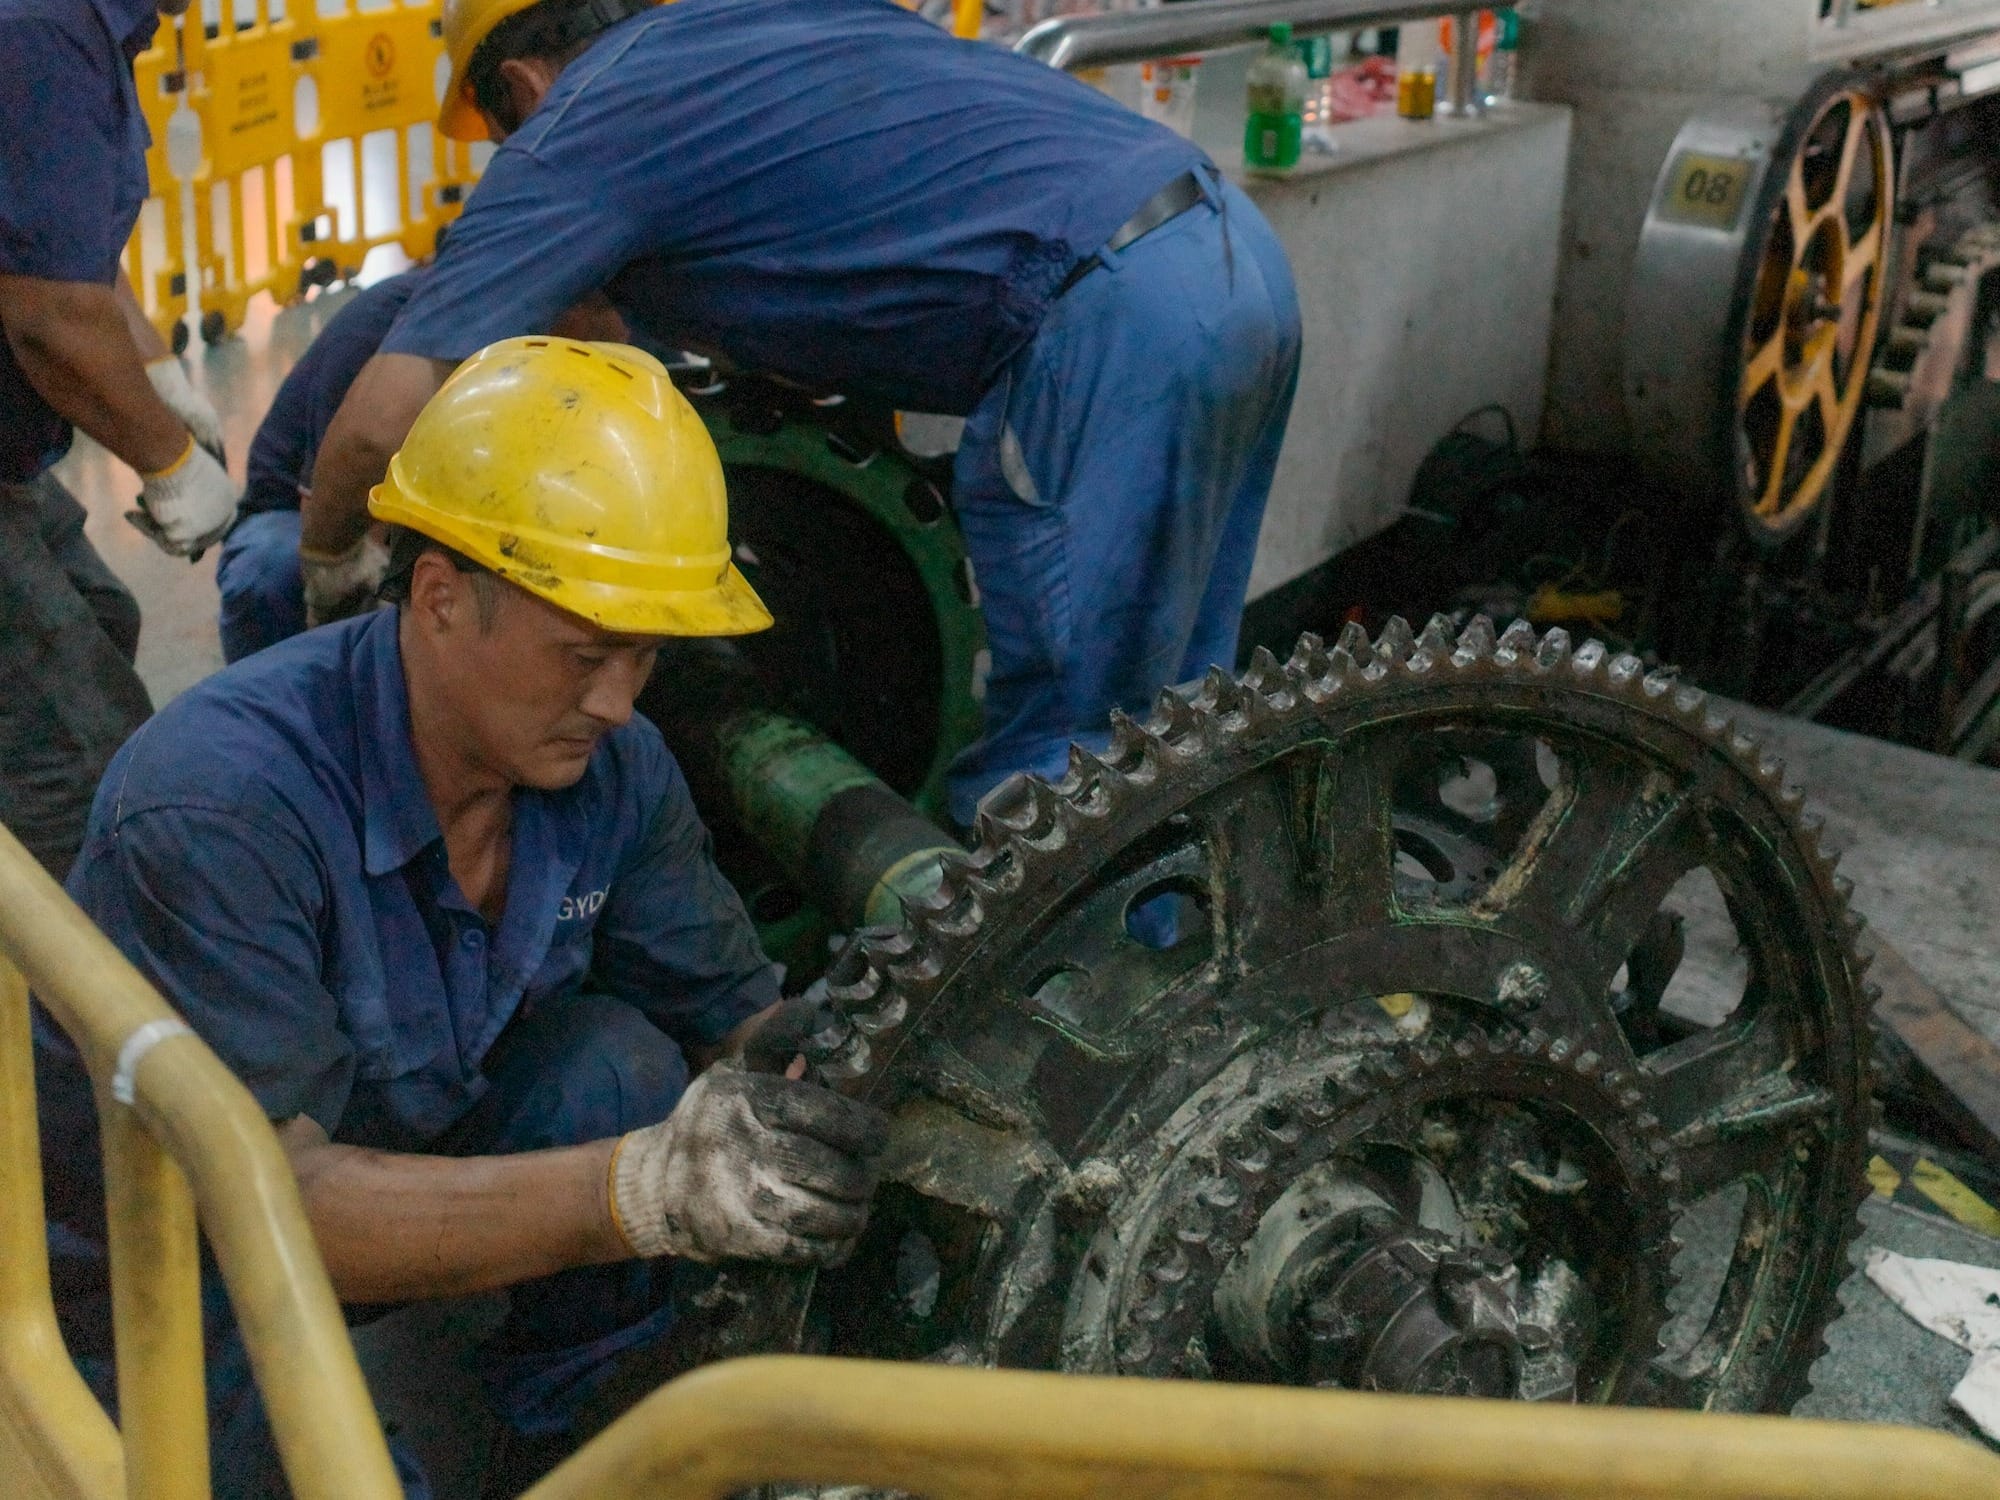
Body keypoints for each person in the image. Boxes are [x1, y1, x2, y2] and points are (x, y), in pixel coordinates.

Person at [36, 337, 887, 1496]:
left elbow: (736, 1024)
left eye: (643, 655)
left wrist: (838, 1070)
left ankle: (590, 1428)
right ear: (440, 599)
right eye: (585, 653)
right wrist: (645, 1191)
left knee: (618, 1064)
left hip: (392, 1166)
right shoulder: (219, 805)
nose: (617, 700)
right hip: (177, 1262)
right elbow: (274, 1208)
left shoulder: (611, 770)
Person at [303, 0, 1302, 829]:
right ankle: (1174, 957)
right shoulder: (761, 25)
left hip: (1107, 322)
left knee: (1062, 755)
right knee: (1162, 717)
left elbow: (382, 421)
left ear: (518, 84)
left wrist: (328, 559)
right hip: (1226, 257)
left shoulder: (581, 129)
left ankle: (1031, 1023)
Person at [0, 0, 240, 876]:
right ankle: (74, 1004)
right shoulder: (35, 27)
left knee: (101, 617)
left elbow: (63, 248)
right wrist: (171, 464)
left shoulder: (91, 28)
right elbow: (47, 311)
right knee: (77, 751)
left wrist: (160, 377)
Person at [217, 257, 629, 661]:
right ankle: (277, 700)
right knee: (274, 572)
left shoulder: (547, 341)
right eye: (607, 314)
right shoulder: (383, 326)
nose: (620, 334)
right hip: (307, 512)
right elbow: (337, 499)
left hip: (433, 508)